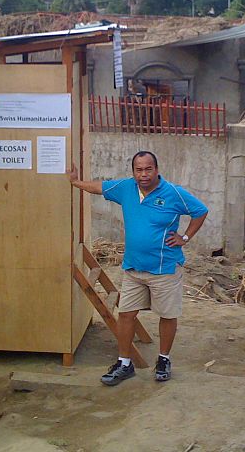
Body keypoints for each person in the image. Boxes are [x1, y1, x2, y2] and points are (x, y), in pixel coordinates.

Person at [67, 151, 208, 385]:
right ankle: (124, 363)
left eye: (148, 169)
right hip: (133, 267)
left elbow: (200, 211)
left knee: (167, 315)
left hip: (164, 268)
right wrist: (75, 182)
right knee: (126, 314)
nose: (143, 174)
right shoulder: (126, 188)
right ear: (133, 171)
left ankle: (163, 359)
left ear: (157, 169)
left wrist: (185, 236)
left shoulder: (173, 193)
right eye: (139, 170)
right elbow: (99, 187)